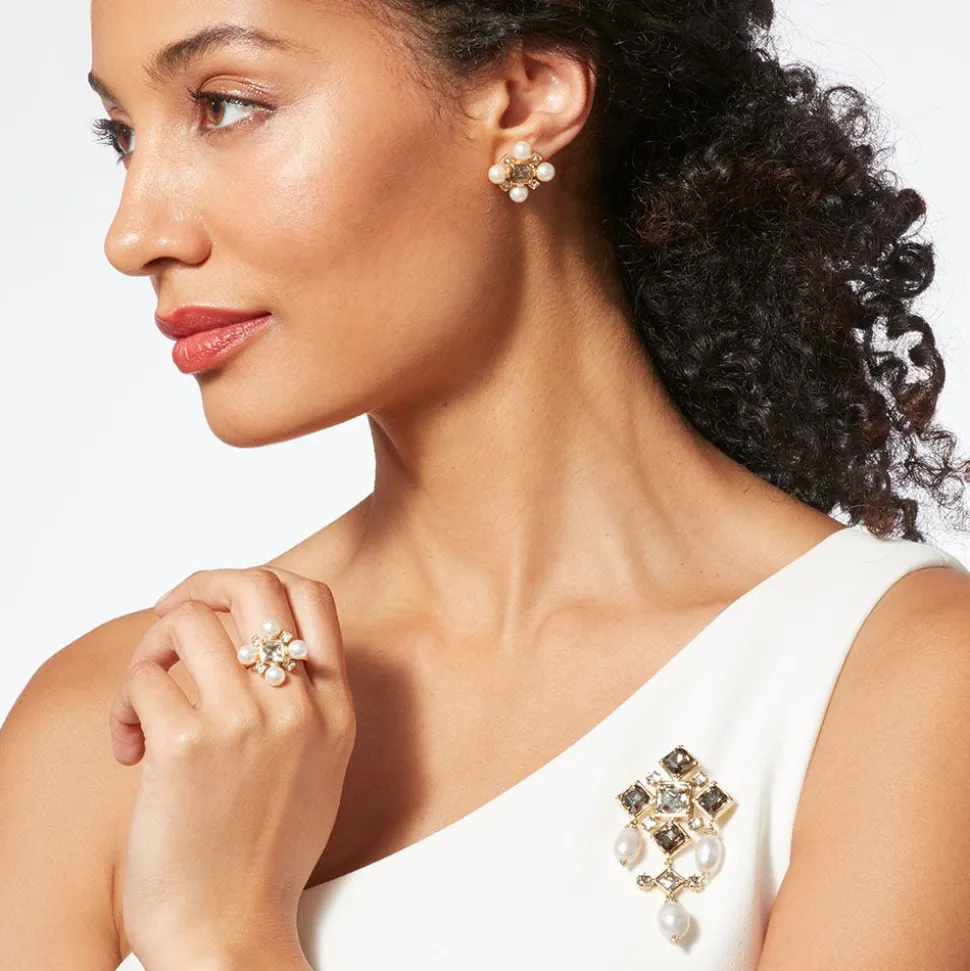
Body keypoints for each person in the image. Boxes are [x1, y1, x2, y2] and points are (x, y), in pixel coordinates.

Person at [1, 0, 969, 968]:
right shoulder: (130, 723)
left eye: (225, 106)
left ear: (524, 97)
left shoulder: (896, 685)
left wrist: (219, 932)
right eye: (123, 136)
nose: (132, 234)